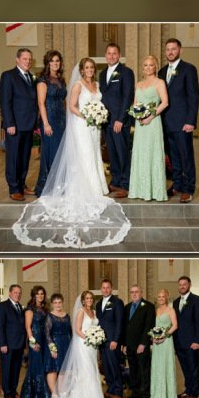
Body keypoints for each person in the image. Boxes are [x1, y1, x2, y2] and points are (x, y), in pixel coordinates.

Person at [11, 58, 131, 248]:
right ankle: (87, 187)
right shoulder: (77, 85)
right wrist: (88, 116)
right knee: (84, 155)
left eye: (92, 67)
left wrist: (98, 116)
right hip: (83, 125)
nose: (90, 70)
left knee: (94, 154)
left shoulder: (97, 85)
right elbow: (72, 106)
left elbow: (100, 103)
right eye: (87, 68)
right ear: (82, 70)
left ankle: (97, 185)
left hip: (95, 127)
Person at [28, 291, 123, 398]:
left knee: (92, 369)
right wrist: (91, 338)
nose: (90, 300)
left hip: (93, 347)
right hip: (85, 344)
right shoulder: (80, 312)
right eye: (87, 298)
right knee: (85, 370)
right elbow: (77, 330)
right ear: (83, 300)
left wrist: (96, 338)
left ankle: (94, 395)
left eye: (91, 298)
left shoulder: (93, 312)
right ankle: (85, 396)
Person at [158, 38, 199, 203]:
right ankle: (177, 185)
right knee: (173, 157)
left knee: (186, 156)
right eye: (168, 49)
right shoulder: (161, 72)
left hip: (183, 122)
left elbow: (193, 97)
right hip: (166, 122)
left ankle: (188, 189)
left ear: (180, 50)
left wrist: (190, 121)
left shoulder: (188, 69)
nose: (170, 52)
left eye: (173, 49)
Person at [127, 55, 169, 201]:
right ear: (142, 68)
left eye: (151, 65)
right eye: (145, 65)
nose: (148, 68)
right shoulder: (138, 84)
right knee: (140, 153)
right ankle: (139, 189)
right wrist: (137, 116)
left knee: (152, 153)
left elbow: (165, 102)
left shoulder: (160, 83)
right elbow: (134, 104)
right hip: (140, 126)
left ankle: (154, 191)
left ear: (156, 67)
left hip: (153, 123)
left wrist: (151, 116)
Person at [0, 48, 39, 200]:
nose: (28, 61)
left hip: (28, 125)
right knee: (13, 157)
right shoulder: (8, 76)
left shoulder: (30, 77)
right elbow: (5, 101)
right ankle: (14, 188)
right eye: (25, 59)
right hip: (14, 126)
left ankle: (22, 184)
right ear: (17, 59)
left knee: (24, 157)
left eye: (29, 59)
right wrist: (9, 123)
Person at [98, 43, 134, 198]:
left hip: (120, 121)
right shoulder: (102, 73)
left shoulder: (126, 72)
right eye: (109, 53)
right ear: (105, 55)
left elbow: (127, 97)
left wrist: (120, 119)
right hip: (106, 121)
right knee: (111, 153)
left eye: (114, 53)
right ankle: (116, 180)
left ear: (119, 55)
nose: (111, 56)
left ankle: (126, 184)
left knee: (123, 153)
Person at [35, 50, 66, 195]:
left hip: (62, 120)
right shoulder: (43, 80)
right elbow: (41, 104)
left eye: (57, 60)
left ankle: (61, 183)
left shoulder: (61, 80)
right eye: (53, 60)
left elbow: (63, 101)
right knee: (52, 151)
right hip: (50, 120)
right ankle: (50, 186)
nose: (55, 63)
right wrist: (46, 124)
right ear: (48, 63)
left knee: (62, 151)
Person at [172, 276, 199, 398]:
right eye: (180, 285)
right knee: (185, 368)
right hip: (179, 341)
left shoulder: (196, 300)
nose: (182, 287)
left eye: (184, 284)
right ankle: (188, 389)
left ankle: (194, 394)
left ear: (189, 285)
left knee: (193, 368)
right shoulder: (175, 302)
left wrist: (197, 340)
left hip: (191, 342)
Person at [122, 284, 154, 398]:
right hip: (129, 345)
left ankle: (145, 393)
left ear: (141, 293)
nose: (134, 294)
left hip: (141, 345)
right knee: (133, 369)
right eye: (132, 292)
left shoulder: (148, 306)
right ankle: (135, 391)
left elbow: (148, 326)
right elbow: (125, 327)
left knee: (144, 370)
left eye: (136, 292)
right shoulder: (127, 307)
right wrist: (124, 344)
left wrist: (144, 344)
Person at [0, 284, 26, 398]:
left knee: (16, 370)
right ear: (10, 293)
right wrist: (2, 343)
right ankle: (7, 394)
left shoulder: (20, 308)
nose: (18, 295)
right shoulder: (2, 306)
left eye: (19, 293)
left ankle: (13, 391)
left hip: (19, 344)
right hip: (7, 345)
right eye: (15, 293)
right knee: (7, 369)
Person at [20, 286, 50, 398]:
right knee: (35, 365)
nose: (40, 296)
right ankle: (30, 394)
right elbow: (28, 327)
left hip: (43, 340)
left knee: (41, 365)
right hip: (35, 339)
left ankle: (41, 393)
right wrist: (33, 343)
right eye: (38, 294)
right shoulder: (29, 309)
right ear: (34, 295)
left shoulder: (43, 309)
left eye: (42, 294)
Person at [96, 279, 124, 398]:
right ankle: (111, 388)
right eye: (103, 287)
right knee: (106, 367)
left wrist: (115, 340)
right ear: (101, 289)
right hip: (101, 341)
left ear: (111, 289)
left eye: (108, 287)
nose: (106, 290)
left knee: (114, 366)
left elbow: (119, 323)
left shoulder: (117, 302)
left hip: (112, 341)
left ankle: (118, 391)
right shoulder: (98, 304)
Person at [150, 289, 179, 398]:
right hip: (156, 343)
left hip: (166, 341)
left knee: (166, 365)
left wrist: (164, 336)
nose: (161, 299)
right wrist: (153, 337)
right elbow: (153, 327)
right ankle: (157, 393)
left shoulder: (171, 310)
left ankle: (167, 394)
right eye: (159, 297)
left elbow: (175, 326)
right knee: (157, 366)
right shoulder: (156, 310)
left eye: (163, 297)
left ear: (167, 298)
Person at [44, 293, 71, 398]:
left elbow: (70, 332)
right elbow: (47, 333)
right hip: (54, 344)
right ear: (52, 304)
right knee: (53, 369)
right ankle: (53, 393)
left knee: (63, 369)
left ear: (62, 303)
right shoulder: (49, 316)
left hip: (66, 344)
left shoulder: (67, 316)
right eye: (55, 302)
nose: (58, 304)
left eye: (59, 302)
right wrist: (52, 348)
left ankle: (61, 391)